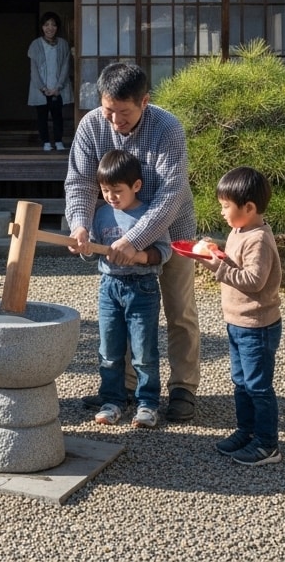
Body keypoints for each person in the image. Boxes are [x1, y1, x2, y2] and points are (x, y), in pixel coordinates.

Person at [66, 61, 201, 423]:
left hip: (174, 229)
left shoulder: (167, 127)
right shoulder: (91, 125)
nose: (115, 121)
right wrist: (80, 225)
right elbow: (79, 182)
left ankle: (183, 387)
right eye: (109, 110)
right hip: (116, 234)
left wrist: (136, 239)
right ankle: (123, 388)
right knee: (121, 312)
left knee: (179, 311)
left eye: (123, 113)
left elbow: (171, 194)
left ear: (145, 101)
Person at [197, 166, 283, 465]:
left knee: (258, 386)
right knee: (241, 381)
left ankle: (267, 444)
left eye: (225, 206)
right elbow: (234, 262)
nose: (222, 212)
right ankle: (246, 431)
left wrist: (216, 267)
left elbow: (253, 280)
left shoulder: (258, 238)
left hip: (257, 324)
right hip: (238, 321)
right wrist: (215, 251)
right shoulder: (240, 230)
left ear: (249, 207)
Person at [84, 150, 172, 429]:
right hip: (109, 287)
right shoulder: (101, 215)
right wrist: (84, 247)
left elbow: (164, 252)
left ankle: (147, 403)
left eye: (117, 191)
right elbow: (93, 252)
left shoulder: (149, 214)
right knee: (109, 349)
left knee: (143, 351)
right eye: (105, 190)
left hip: (142, 287)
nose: (111, 196)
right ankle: (112, 400)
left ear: (136, 186)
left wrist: (139, 256)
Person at [27, 11, 73, 151]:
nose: (50, 28)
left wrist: (58, 87)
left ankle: (58, 140)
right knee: (42, 116)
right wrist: (42, 88)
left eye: (53, 25)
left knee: (58, 116)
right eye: (46, 25)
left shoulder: (63, 44)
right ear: (42, 27)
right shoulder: (35, 45)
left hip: (58, 88)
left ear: (57, 27)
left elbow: (66, 66)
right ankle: (46, 141)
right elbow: (33, 69)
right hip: (41, 89)